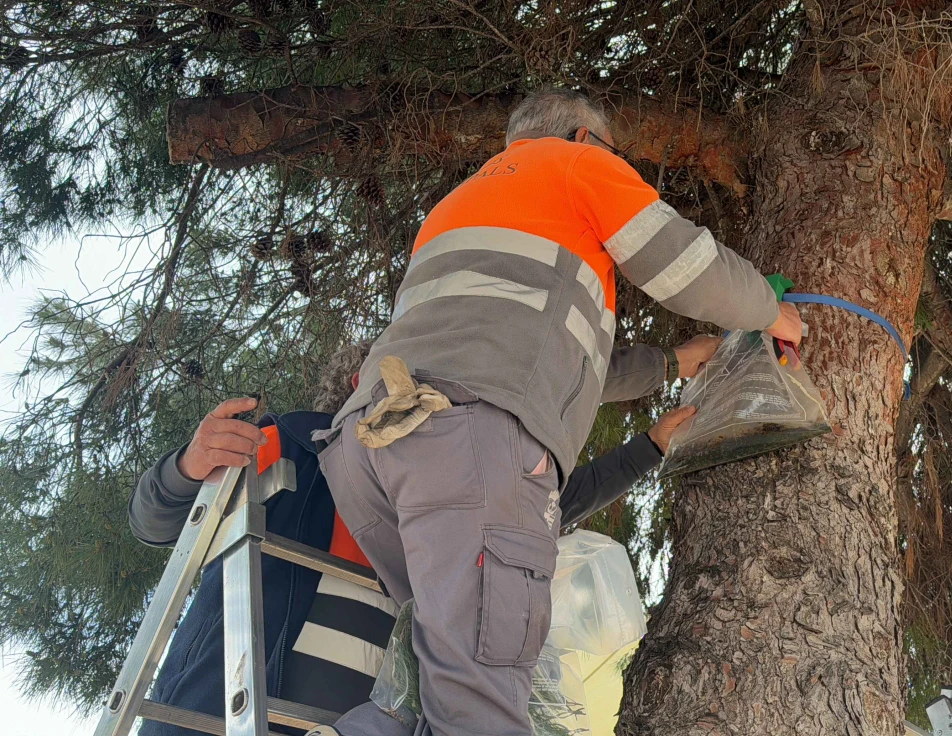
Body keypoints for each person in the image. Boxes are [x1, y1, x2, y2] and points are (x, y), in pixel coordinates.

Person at [316, 87, 803, 736]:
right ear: (583, 138)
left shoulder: (456, 206)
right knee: (479, 707)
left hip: (369, 448)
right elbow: (687, 266)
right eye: (613, 151)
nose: (617, 161)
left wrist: (669, 364)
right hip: (467, 443)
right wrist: (774, 314)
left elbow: (548, 361)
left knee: (430, 691)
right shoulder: (577, 165)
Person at [127, 341, 699, 736]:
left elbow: (542, 508)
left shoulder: (451, 482)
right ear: (361, 385)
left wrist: (649, 445)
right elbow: (159, 522)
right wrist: (186, 467)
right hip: (223, 714)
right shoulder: (290, 441)